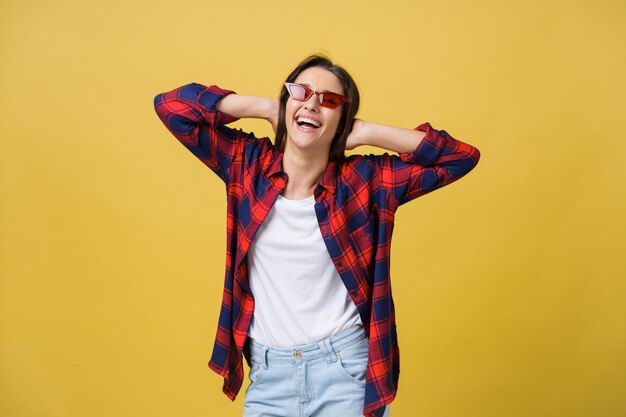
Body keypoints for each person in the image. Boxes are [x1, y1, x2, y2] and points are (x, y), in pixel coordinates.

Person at [153, 53, 481, 417]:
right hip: (269, 374)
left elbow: (460, 157)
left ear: (342, 117)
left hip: (344, 371)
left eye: (329, 101)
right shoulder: (247, 165)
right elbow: (171, 107)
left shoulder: (364, 181)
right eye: (301, 92)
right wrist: (267, 107)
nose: (312, 103)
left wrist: (366, 132)